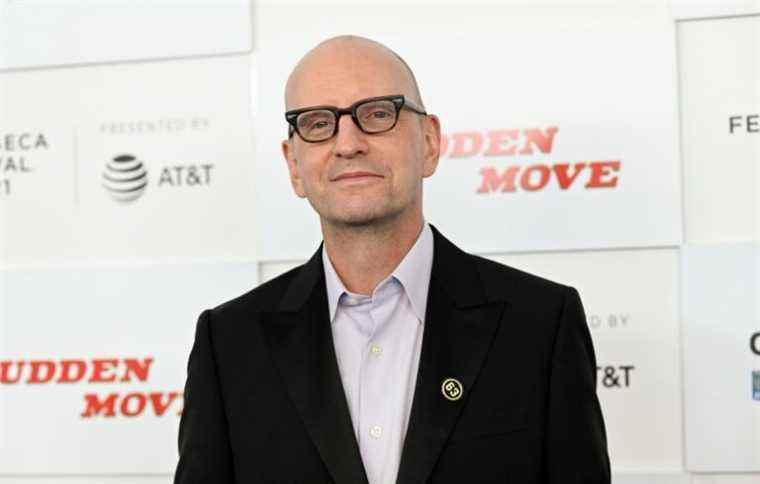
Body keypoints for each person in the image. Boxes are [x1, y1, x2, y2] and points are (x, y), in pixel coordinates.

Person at [174, 35, 610, 484]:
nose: (348, 143)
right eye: (318, 123)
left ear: (430, 142)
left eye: (378, 113)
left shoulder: (540, 325)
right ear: (293, 165)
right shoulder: (228, 344)